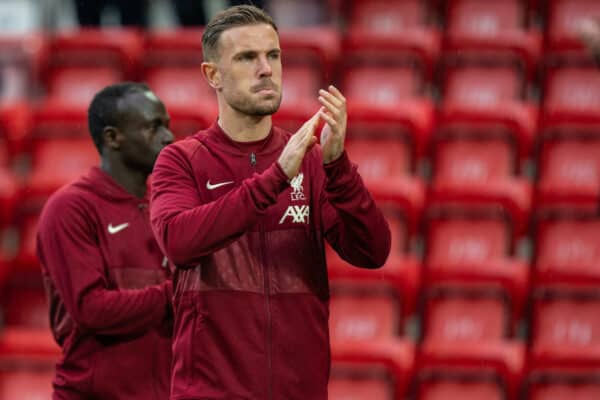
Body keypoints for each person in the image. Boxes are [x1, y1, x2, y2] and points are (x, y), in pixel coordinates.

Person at [150, 5, 391, 399]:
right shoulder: (180, 161)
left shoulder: (312, 161)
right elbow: (179, 242)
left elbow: (373, 251)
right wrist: (275, 179)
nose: (266, 69)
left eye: (273, 56)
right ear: (213, 75)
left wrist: (338, 166)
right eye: (247, 58)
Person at [36, 82, 175, 399]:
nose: (169, 137)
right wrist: (178, 294)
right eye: (154, 127)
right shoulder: (70, 208)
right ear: (113, 137)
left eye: (167, 125)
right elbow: (92, 309)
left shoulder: (169, 205)